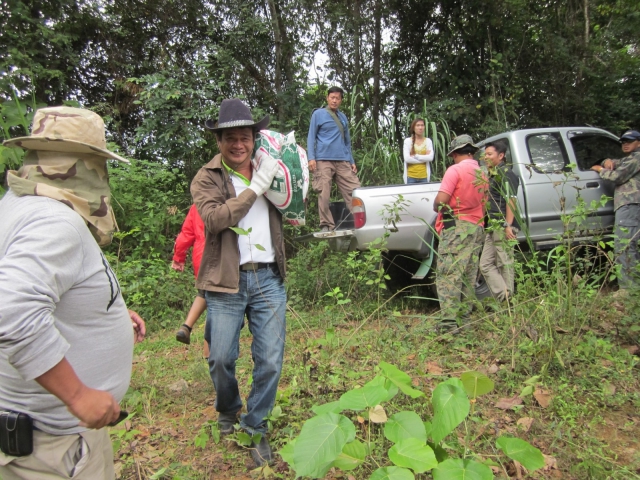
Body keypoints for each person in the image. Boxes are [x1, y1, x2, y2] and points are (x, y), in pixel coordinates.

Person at [0, 106, 146, 479]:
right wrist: (78, 395)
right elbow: (12, 310)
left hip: (47, 442)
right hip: (53, 450)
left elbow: (45, 294)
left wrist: (104, 314)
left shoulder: (17, 205)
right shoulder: (54, 220)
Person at [191, 98, 286, 467]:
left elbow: (293, 203)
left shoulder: (271, 169)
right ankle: (228, 407)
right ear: (219, 141)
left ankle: (255, 425)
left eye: (245, 137)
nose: (238, 144)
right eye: (230, 137)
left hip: (268, 278)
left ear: (254, 139)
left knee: (270, 360)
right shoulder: (206, 177)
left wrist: (285, 178)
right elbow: (215, 220)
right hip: (225, 281)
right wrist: (254, 188)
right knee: (220, 358)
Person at [433, 135, 486, 332]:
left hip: (457, 227)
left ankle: (448, 325)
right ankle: (464, 321)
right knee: (468, 275)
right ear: (472, 152)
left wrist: (435, 205)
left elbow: (441, 201)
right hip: (477, 228)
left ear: (455, 153)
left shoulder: (455, 170)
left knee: (449, 274)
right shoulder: (482, 173)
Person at [307, 86, 361, 232]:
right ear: (327, 98)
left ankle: (361, 221)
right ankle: (326, 225)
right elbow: (311, 137)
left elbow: (347, 142)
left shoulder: (343, 117)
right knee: (324, 192)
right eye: (332, 97)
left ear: (341, 100)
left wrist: (351, 161)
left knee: (354, 190)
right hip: (323, 159)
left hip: (342, 159)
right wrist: (311, 158)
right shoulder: (318, 114)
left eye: (337, 98)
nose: (334, 100)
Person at [591, 129, 640, 290]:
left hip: (630, 205)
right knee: (631, 246)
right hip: (631, 206)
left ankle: (629, 290)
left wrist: (600, 170)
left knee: (624, 246)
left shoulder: (637, 158)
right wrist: (606, 161)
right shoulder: (631, 158)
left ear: (639, 142)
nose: (625, 144)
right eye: (623, 142)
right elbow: (618, 163)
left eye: (629, 141)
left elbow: (618, 176)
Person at [479, 140, 520, 302]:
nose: (485, 157)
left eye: (489, 154)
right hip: (493, 225)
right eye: (485, 154)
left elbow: (511, 200)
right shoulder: (493, 174)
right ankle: (505, 296)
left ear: (501, 155)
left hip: (503, 226)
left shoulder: (506, 174)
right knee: (485, 265)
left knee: (505, 263)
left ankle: (508, 304)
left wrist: (508, 225)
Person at [172, 204, 210, 358]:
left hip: (200, 258)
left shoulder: (197, 206)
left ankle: (186, 326)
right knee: (215, 306)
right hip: (217, 256)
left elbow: (186, 234)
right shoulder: (224, 200)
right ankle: (209, 354)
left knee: (204, 294)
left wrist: (178, 258)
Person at [403, 118, 434, 184]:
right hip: (411, 177)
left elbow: (430, 158)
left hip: (424, 176)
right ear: (413, 128)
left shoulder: (428, 141)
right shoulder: (408, 141)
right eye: (418, 125)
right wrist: (424, 158)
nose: (420, 128)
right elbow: (407, 159)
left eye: (422, 125)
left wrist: (415, 156)